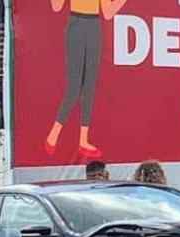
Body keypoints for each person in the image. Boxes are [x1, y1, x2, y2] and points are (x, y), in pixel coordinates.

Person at [44, 0, 130, 158]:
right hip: (76, 24)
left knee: (89, 87)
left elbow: (108, 13)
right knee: (74, 88)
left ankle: (83, 140)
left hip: (94, 26)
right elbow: (56, 7)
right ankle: (53, 134)